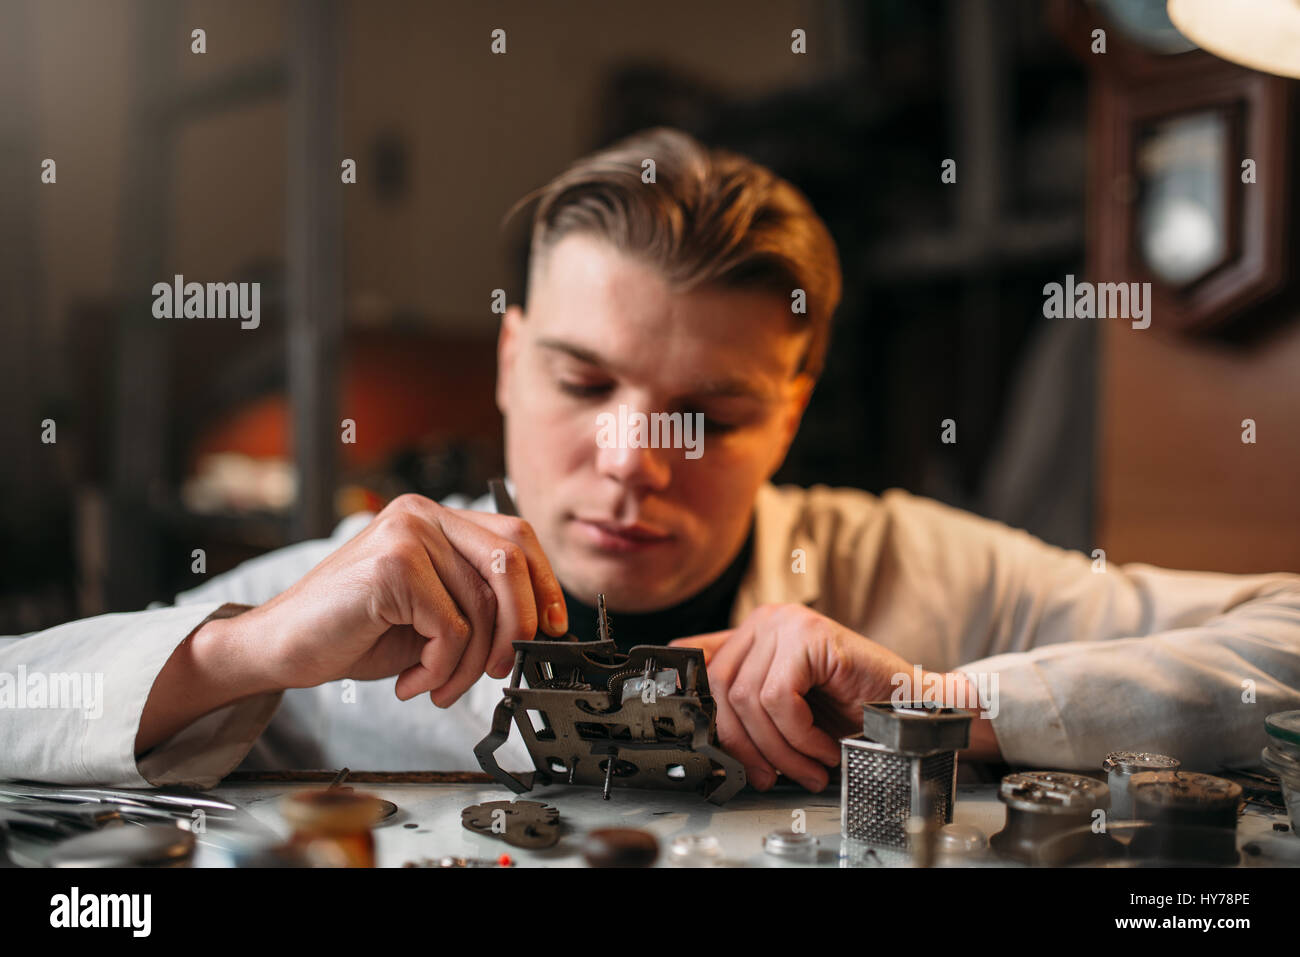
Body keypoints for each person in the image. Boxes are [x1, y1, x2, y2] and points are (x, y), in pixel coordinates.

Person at [3, 128, 1298, 793]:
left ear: (792, 415)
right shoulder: (340, 595)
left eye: (713, 414)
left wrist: (954, 708)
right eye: (581, 382)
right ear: (508, 364)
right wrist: (243, 652)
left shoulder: (928, 571)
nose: (631, 461)